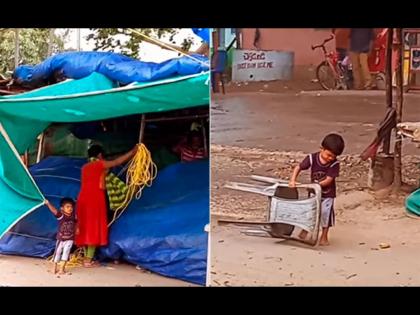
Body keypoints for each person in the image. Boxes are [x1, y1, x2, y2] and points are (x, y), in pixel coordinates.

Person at [75, 144, 137, 267]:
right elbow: (117, 161)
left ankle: (88, 257)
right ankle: (88, 260)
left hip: (83, 198)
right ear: (99, 155)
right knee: (93, 227)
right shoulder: (99, 164)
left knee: (86, 226)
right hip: (95, 199)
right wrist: (133, 151)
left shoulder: (85, 167)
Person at [289, 134, 345, 246]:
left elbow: (329, 180)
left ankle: (324, 236)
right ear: (322, 149)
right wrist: (292, 180)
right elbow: (298, 167)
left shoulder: (334, 164)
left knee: (325, 214)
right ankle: (305, 231)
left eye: (333, 156)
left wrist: (316, 185)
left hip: (327, 194)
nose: (330, 158)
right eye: (328, 155)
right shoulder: (311, 158)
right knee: (310, 212)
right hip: (313, 193)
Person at [45, 198, 77, 275]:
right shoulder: (61, 216)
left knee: (66, 253)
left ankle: (62, 269)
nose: (70, 208)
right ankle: (54, 268)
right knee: (57, 253)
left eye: (71, 207)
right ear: (62, 209)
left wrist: (77, 229)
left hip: (70, 239)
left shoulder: (74, 216)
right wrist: (48, 203)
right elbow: (54, 210)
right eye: (67, 207)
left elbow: (76, 223)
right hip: (61, 239)